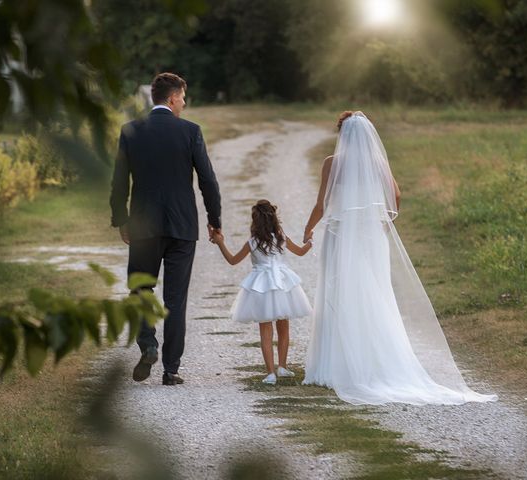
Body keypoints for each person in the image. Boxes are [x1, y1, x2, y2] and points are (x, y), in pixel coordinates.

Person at [302, 111, 497, 405]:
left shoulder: (332, 164)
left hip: (340, 235)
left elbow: (322, 204)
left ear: (342, 134)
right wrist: (381, 222)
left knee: (340, 293)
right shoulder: (377, 163)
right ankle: (375, 361)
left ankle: (335, 365)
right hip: (371, 236)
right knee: (375, 294)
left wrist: (307, 229)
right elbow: (396, 196)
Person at [109, 72, 221, 386]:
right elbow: (208, 181)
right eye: (183, 98)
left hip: (143, 225)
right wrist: (215, 220)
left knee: (141, 289)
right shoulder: (190, 132)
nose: (184, 104)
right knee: (176, 299)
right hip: (182, 226)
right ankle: (171, 370)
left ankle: (148, 346)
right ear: (172, 98)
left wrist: (121, 219)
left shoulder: (130, 131)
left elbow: (120, 181)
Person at [212, 200, 313, 385]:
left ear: (255, 222)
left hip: (262, 286)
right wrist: (310, 241)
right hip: (283, 285)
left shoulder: (252, 242)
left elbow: (233, 261)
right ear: (274, 219)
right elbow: (301, 252)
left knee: (265, 331)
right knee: (284, 327)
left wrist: (220, 243)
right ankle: (282, 366)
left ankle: (271, 373)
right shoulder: (281, 237)